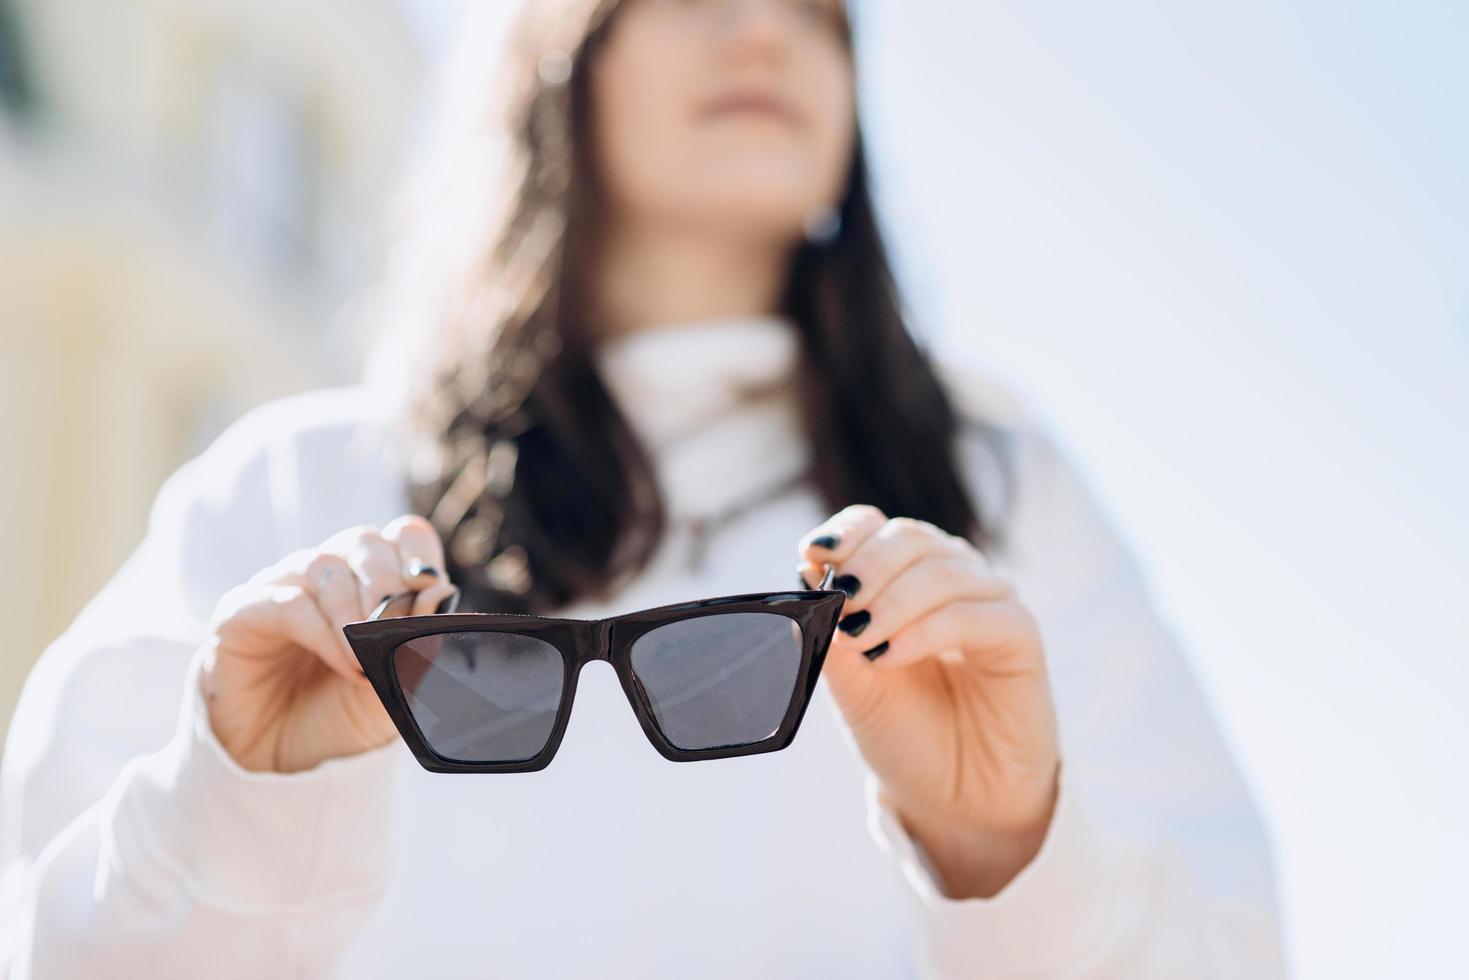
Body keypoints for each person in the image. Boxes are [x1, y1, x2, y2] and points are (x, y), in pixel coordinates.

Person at [0, 0, 1286, 976]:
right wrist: (234, 805)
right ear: (558, 51)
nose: (761, 31)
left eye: (815, 9)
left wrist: (1010, 848)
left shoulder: (998, 495)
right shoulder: (299, 488)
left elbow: (1237, 949)